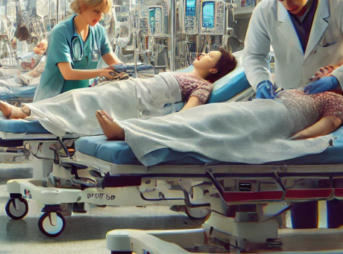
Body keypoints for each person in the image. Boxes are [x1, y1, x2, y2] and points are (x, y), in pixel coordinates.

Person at [243, 0, 343, 229]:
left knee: (338, 178)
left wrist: (336, 79)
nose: (288, 6)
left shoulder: (338, 4)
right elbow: (253, 55)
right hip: (290, 101)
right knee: (299, 177)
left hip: (336, 97)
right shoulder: (267, 10)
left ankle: (337, 250)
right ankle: (303, 243)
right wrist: (261, 81)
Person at [0, 49, 237, 136]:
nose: (203, 54)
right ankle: (28, 113)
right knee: (75, 98)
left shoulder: (202, 86)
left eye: (210, 56)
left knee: (80, 99)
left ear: (214, 69)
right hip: (130, 87)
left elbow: (186, 115)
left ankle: (23, 111)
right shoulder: (185, 74)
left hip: (136, 100)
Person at [93, 88, 340, 166]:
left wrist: (295, 139)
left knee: (210, 125)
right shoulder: (301, 87)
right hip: (256, 107)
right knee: (200, 116)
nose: (324, 68)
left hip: (276, 120)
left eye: (332, 69)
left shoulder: (333, 97)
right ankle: (130, 128)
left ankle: (127, 132)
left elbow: (327, 125)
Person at [35, 0, 122, 102]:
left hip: (80, 100)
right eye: (96, 11)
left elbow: (113, 61)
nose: (100, 17)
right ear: (82, 6)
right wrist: (102, 72)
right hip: (54, 100)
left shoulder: (99, 32)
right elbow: (68, 73)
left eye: (102, 13)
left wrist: (128, 71)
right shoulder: (61, 32)